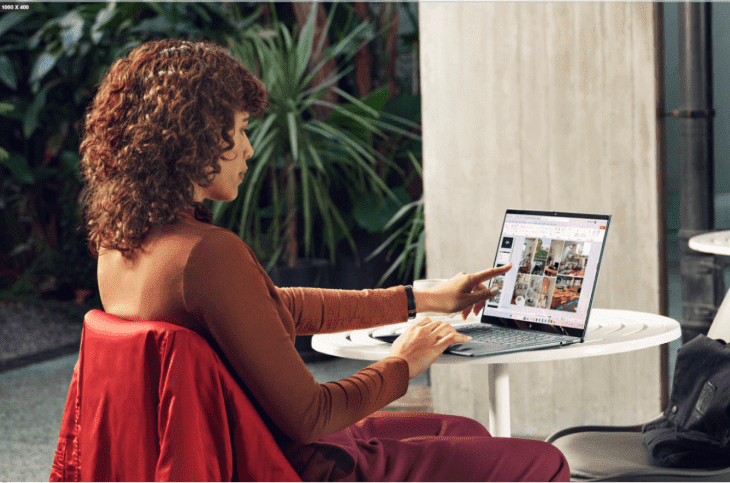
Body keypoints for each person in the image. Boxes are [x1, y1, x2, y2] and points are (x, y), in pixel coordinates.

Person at [79, 39, 569, 482]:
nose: (249, 149)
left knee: (462, 429)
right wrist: (404, 361)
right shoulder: (206, 254)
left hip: (254, 448)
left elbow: (275, 309)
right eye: (241, 129)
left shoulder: (123, 246)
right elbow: (311, 416)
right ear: (195, 136)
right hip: (293, 465)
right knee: (547, 463)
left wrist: (418, 298)